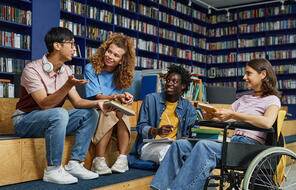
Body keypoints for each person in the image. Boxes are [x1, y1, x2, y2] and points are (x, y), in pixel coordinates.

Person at [150, 58, 281, 190]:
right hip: (234, 143)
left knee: (203, 146)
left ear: (263, 74)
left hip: (249, 147)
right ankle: (158, 187)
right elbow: (223, 117)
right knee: (179, 145)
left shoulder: (272, 100)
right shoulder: (244, 99)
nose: (244, 77)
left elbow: (267, 122)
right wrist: (211, 116)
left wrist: (234, 115)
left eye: (248, 73)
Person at [11, 27, 109, 185]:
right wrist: (66, 86)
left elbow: (78, 102)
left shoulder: (66, 71)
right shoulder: (32, 69)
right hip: (25, 120)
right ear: (57, 45)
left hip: (52, 119)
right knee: (59, 113)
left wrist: (99, 103)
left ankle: (75, 163)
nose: (74, 48)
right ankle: (53, 169)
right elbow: (44, 104)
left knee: (90, 114)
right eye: (71, 44)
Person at [84, 33, 135, 175]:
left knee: (121, 112)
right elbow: (98, 96)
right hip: (94, 106)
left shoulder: (121, 74)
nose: (110, 56)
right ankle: (98, 160)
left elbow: (116, 98)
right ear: (104, 50)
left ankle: (122, 159)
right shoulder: (91, 68)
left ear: (121, 61)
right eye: (109, 51)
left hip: (111, 106)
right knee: (109, 112)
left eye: (116, 55)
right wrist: (116, 97)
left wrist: (125, 97)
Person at [128, 64, 198, 166]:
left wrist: (186, 139)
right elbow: (140, 127)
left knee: (195, 152)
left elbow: (194, 131)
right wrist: (157, 131)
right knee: (170, 152)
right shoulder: (150, 99)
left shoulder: (188, 107)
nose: (169, 84)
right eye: (168, 80)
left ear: (183, 86)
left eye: (174, 81)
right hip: (149, 145)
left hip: (176, 145)